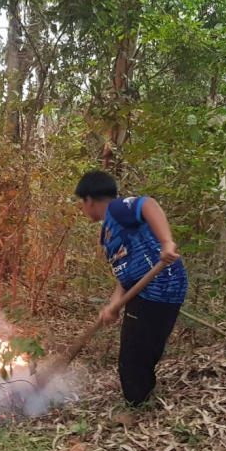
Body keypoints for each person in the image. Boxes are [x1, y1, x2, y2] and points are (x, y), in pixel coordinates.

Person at [75, 170, 187, 420]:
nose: (83, 209)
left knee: (133, 353)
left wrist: (166, 242)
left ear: (89, 200)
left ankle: (138, 408)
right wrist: (113, 306)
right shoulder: (107, 234)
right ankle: (139, 390)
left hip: (160, 286)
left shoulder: (117, 209)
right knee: (140, 346)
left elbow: (148, 204)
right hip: (143, 291)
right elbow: (124, 277)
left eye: (82, 204)